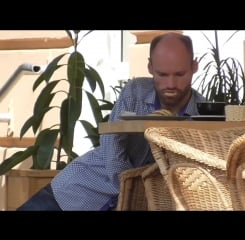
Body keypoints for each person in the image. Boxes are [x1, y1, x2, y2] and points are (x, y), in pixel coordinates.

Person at [17, 32, 206, 210]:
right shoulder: (135, 92)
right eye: (162, 75)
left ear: (194, 67)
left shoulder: (203, 112)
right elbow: (112, 145)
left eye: (179, 74)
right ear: (150, 67)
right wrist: (132, 189)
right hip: (78, 191)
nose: (171, 84)